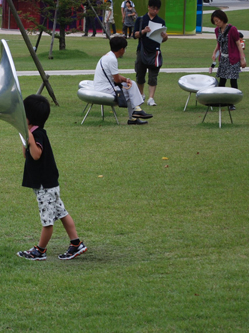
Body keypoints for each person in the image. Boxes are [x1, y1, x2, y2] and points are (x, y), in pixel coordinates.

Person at [16, 94, 87, 261]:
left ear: (30, 117)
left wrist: (29, 137)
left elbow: (35, 155)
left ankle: (40, 251)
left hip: (45, 186)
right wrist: (25, 137)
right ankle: (76, 244)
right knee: (61, 212)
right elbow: (26, 155)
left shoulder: (38, 134)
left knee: (47, 220)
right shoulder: (34, 133)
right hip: (48, 183)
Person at [93, 35, 154, 125]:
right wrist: (125, 80)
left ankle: (135, 116)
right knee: (131, 89)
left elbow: (115, 76)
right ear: (122, 49)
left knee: (131, 85)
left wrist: (126, 80)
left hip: (104, 86)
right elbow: (117, 80)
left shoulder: (108, 56)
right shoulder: (112, 59)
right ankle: (136, 112)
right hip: (104, 89)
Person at [133, 0, 168, 107]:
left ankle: (151, 98)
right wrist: (144, 31)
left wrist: (165, 37)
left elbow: (163, 39)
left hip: (155, 51)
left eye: (157, 9)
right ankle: (141, 94)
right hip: (142, 49)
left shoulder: (161, 21)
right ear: (148, 7)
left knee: (153, 76)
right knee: (140, 74)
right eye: (153, 8)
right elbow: (135, 35)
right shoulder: (141, 19)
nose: (155, 11)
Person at [210, 10, 246, 110]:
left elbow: (238, 43)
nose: (216, 23)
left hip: (233, 59)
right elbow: (219, 43)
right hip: (223, 58)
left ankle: (232, 103)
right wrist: (215, 53)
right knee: (222, 80)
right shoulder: (217, 30)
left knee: (233, 80)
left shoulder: (232, 29)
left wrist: (242, 58)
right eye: (215, 22)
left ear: (223, 19)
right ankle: (220, 100)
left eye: (217, 21)